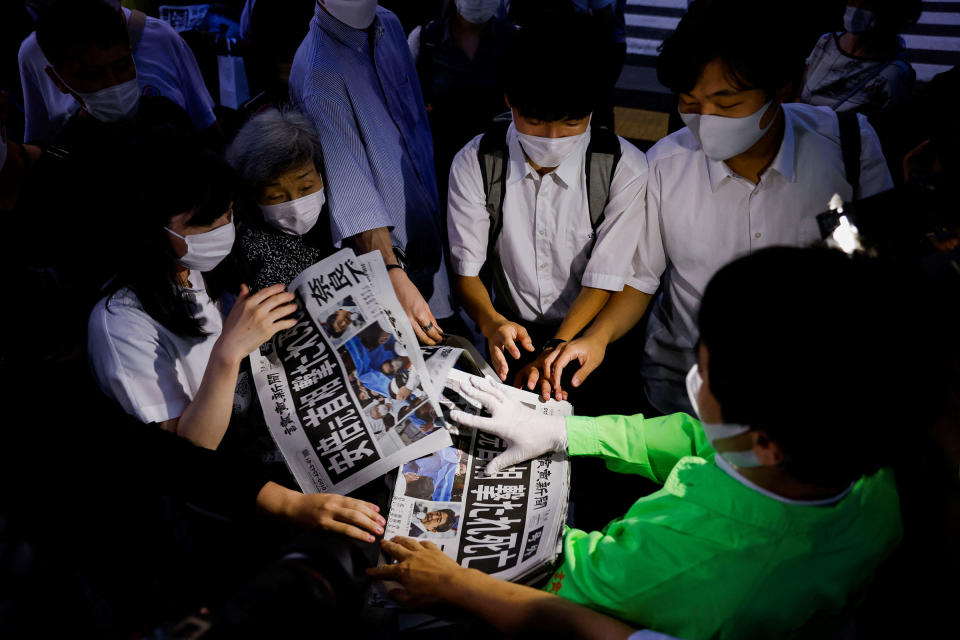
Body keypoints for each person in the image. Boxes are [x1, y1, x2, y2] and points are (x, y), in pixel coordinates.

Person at [371, 246, 924, 639]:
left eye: (705, 376)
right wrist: (565, 430)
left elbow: (567, 593)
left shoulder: (683, 561)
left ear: (766, 443)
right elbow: (696, 440)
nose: (696, 384)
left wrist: (456, 582)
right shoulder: (866, 472)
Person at [546, 0, 894, 414]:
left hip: (808, 397)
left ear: (783, 87)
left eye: (727, 104)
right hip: (682, 390)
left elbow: (881, 276)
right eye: (690, 102)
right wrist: (597, 338)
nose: (706, 119)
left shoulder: (849, 148)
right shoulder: (664, 164)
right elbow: (641, 278)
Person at [447, 12, 646, 398]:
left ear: (593, 109)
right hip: (511, 331)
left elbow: (604, 277)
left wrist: (559, 345)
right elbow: (466, 270)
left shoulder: (623, 167)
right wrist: (490, 322)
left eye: (572, 122)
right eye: (535, 121)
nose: (552, 137)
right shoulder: (476, 160)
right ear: (509, 101)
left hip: (591, 334)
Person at [86, 128, 296, 450]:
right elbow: (189, 454)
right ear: (150, 227)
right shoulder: (120, 321)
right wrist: (229, 353)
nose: (223, 231)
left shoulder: (198, 269)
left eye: (227, 213)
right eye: (204, 224)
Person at [289, 0, 455, 346]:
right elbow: (353, 197)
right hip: (392, 265)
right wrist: (390, 271)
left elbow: (413, 125)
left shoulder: (390, 25)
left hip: (435, 235)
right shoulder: (319, 72)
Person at [19, 0, 217, 145]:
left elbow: (207, 131)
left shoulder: (166, 113)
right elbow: (41, 146)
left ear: (129, 52)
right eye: (93, 74)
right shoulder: (70, 143)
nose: (113, 83)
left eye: (121, 66)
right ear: (57, 79)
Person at [407, 0, 515, 199]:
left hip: (500, 168)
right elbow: (405, 105)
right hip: (440, 170)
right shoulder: (425, 40)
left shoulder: (515, 40)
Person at [226, 107, 335, 292]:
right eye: (276, 197)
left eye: (306, 187)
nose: (295, 205)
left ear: (320, 174)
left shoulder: (342, 216)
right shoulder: (252, 249)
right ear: (254, 196)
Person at [800, 0, 922, 115]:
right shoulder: (826, 42)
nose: (855, 9)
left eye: (868, 4)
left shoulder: (894, 74)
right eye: (853, 1)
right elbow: (800, 90)